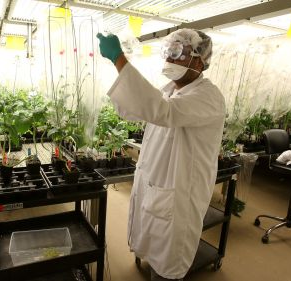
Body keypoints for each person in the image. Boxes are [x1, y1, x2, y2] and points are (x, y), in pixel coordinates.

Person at [97, 29, 225, 281]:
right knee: (153, 246)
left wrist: (119, 59)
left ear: (199, 61)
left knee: (167, 264)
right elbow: (135, 109)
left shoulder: (208, 97)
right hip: (156, 186)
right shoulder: (170, 90)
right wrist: (119, 67)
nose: (170, 59)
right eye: (169, 52)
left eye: (178, 53)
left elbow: (162, 111)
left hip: (178, 196)